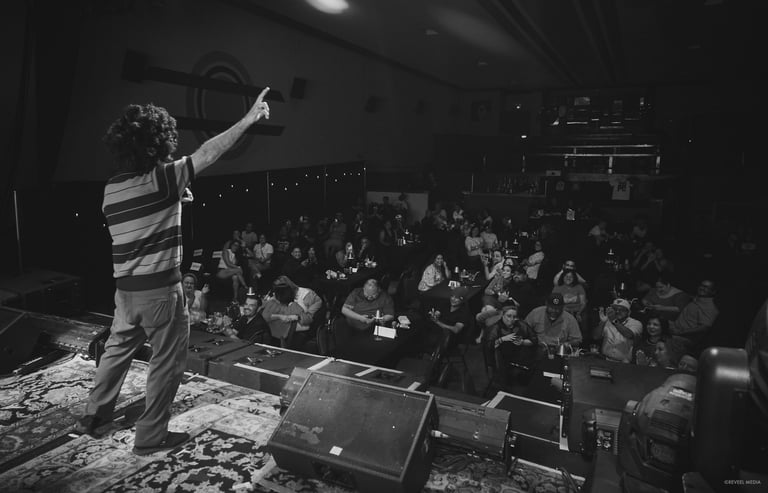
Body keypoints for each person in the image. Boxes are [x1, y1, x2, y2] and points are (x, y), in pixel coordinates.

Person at [75, 88, 271, 455]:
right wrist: (247, 120)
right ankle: (151, 436)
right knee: (167, 361)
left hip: (125, 293)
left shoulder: (112, 189)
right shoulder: (164, 178)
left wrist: (174, 198)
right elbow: (209, 151)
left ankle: (94, 416)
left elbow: (141, 215)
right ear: (159, 143)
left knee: (117, 350)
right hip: (161, 293)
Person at [670, 279, 719, 353]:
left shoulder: (710, 307)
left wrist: (680, 332)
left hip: (682, 338)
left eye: (706, 287)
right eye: (701, 285)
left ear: (713, 291)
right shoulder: (698, 299)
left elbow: (704, 328)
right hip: (674, 331)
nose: (702, 288)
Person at [261, 278, 310, 349]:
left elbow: (306, 320)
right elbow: (264, 317)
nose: (273, 294)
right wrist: (280, 316)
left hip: (279, 340)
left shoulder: (292, 306)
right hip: (276, 339)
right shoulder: (272, 303)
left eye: (275, 292)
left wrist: (296, 317)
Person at [598, 298, 643, 363]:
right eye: (615, 309)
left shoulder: (636, 323)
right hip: (605, 360)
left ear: (629, 312)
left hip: (624, 363)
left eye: (622, 310)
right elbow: (596, 337)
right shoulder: (608, 320)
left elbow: (629, 335)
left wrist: (614, 321)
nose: (617, 312)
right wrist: (602, 322)